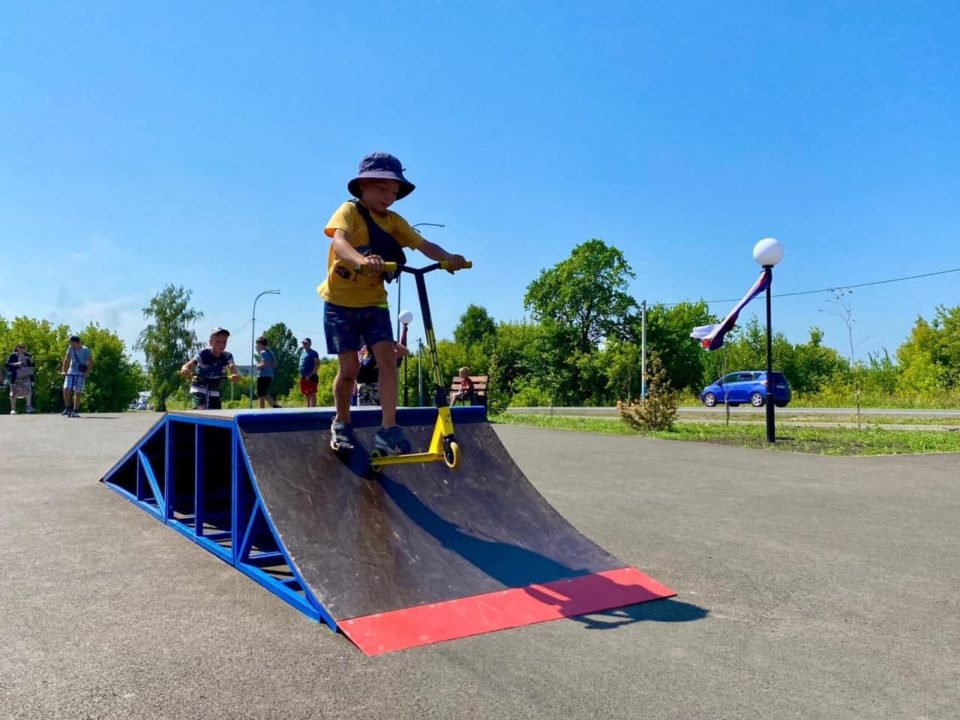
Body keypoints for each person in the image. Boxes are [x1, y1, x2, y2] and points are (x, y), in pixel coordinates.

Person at [319, 151, 468, 454]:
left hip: (374, 303)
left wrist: (448, 258)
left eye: (395, 191)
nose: (390, 196)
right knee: (349, 369)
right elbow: (339, 242)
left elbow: (423, 244)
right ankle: (342, 422)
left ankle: (388, 428)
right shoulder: (349, 212)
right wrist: (362, 260)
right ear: (363, 185)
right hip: (340, 302)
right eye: (383, 188)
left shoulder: (395, 222)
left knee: (388, 360)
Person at [179, 327, 240, 410]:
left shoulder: (227, 355)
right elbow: (189, 365)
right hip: (199, 387)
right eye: (217, 341)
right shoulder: (203, 354)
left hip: (215, 389)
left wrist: (235, 374)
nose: (221, 344)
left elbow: (232, 366)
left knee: (216, 415)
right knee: (201, 410)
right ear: (210, 343)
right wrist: (185, 369)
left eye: (224, 342)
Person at [61, 335, 93, 418]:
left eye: (71, 342)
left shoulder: (85, 350)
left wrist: (87, 372)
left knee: (78, 391)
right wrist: (64, 370)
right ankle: (68, 407)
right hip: (71, 371)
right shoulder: (70, 348)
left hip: (80, 372)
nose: (70, 343)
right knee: (66, 388)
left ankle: (76, 410)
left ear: (76, 342)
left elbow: (90, 361)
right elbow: (67, 359)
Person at [6, 343, 36, 414]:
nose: (22, 349)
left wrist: (30, 359)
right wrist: (16, 364)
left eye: (24, 347)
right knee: (13, 392)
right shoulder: (13, 355)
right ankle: (13, 409)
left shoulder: (28, 355)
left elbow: (32, 364)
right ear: (17, 348)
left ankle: (28, 407)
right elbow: (7, 365)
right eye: (20, 347)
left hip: (26, 377)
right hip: (15, 377)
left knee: (28, 391)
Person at [255, 336, 280, 409]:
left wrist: (258, 366)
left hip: (263, 376)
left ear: (261, 344)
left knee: (260, 394)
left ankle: (261, 409)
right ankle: (274, 405)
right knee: (264, 393)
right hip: (269, 375)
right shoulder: (270, 352)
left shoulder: (263, 352)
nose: (256, 346)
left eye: (257, 344)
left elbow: (264, 364)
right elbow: (275, 364)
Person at [298, 338, 321, 408]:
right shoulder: (302, 353)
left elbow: (317, 364)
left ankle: (313, 409)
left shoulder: (313, 353)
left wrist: (311, 374)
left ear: (310, 344)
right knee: (306, 393)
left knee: (312, 393)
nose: (304, 345)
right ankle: (308, 408)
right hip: (303, 376)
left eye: (306, 343)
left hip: (311, 376)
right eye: (303, 343)